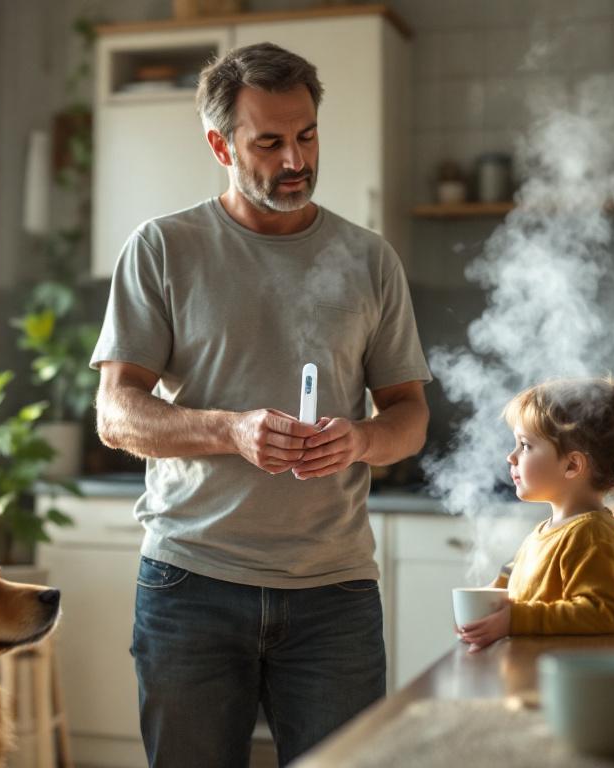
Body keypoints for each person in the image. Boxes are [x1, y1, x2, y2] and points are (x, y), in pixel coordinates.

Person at [90, 42, 431, 767]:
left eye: (306, 134)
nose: (296, 159)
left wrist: (361, 441)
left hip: (333, 591)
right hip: (192, 582)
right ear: (220, 144)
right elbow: (116, 413)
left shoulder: (370, 259)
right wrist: (230, 429)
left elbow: (409, 415)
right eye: (269, 142)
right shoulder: (163, 248)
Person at [457, 376, 614, 652]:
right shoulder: (547, 531)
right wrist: (485, 608)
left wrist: (515, 620)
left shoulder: (593, 537)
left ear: (572, 465)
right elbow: (516, 582)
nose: (511, 457)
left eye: (525, 446)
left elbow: (602, 611)